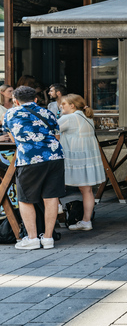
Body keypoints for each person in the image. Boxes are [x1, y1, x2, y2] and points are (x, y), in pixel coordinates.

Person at [3, 86, 65, 250]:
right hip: (54, 157)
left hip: (29, 159)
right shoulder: (47, 112)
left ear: (15, 100)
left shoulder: (10, 114)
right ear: (36, 99)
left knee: (25, 198)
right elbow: (56, 136)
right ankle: (48, 238)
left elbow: (13, 139)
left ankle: (32, 238)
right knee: (51, 197)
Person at [57, 94, 106, 231]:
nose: (61, 106)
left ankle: (57, 207)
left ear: (72, 105)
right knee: (87, 190)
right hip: (87, 157)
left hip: (73, 158)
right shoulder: (87, 116)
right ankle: (86, 221)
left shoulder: (69, 118)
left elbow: (50, 130)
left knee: (53, 182)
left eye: (64, 104)